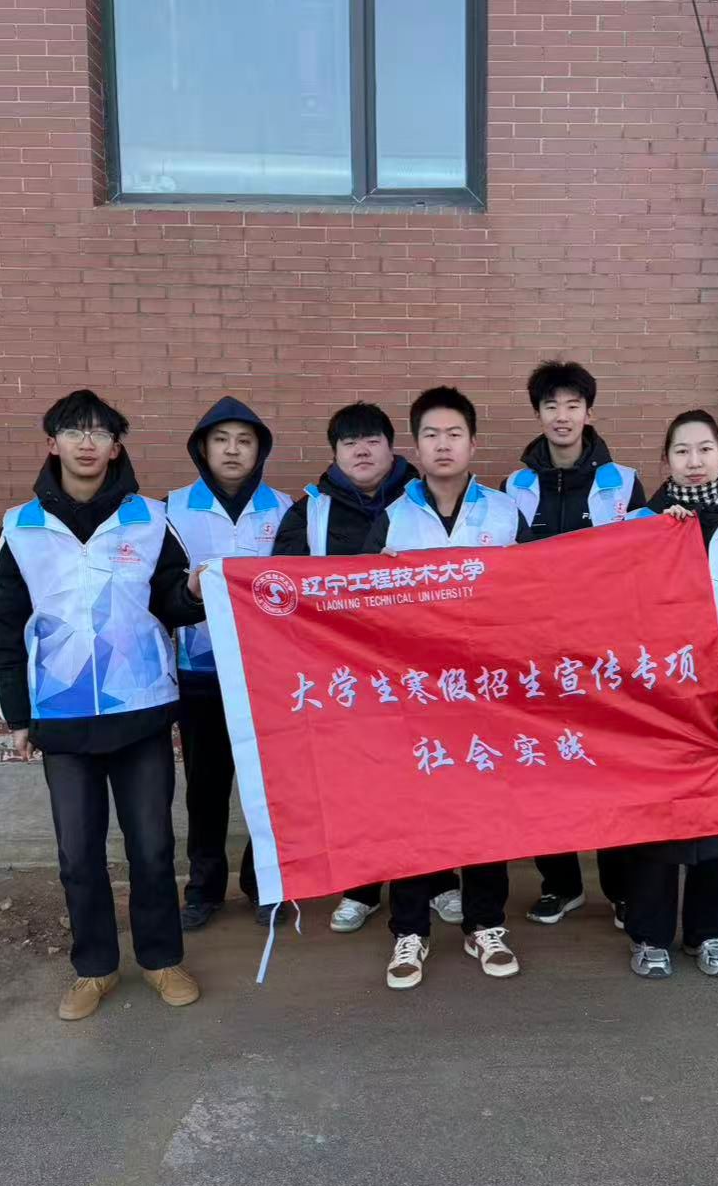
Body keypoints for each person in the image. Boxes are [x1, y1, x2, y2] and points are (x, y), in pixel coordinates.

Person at [0, 389, 205, 1021]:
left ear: (116, 447)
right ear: (52, 444)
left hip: (141, 706)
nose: (87, 442)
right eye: (74, 431)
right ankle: (95, 968)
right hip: (61, 712)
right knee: (78, 855)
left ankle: (161, 960)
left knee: (153, 847)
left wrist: (192, 593)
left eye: (100, 432)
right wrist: (17, 716)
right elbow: (4, 624)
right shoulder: (20, 527)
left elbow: (170, 601)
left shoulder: (150, 519)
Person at [362, 386, 531, 990]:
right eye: (431, 435)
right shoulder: (392, 517)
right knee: (412, 811)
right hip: (413, 694)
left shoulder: (506, 513)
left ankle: (486, 923)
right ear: (415, 446)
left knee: (486, 810)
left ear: (473, 443)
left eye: (454, 434)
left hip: (486, 690)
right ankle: (410, 930)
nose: (442, 445)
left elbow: (538, 593)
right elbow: (358, 604)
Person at [271, 401, 462, 934]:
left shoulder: (422, 499)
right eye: (349, 442)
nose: (361, 450)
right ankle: (362, 887)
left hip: (422, 672)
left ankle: (441, 880)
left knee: (431, 776)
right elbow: (280, 585)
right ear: (334, 453)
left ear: (392, 448)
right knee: (361, 784)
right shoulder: (308, 512)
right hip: (344, 674)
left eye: (372, 440)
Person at [624, 409, 718, 979]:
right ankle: (649, 936)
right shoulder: (637, 528)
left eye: (705, 449)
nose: (694, 461)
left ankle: (708, 933)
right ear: (665, 461)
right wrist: (656, 539)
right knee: (653, 831)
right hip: (656, 711)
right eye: (682, 451)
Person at [502, 360, 647, 929]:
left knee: (610, 774)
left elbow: (645, 562)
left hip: (605, 657)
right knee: (544, 770)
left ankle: (621, 889)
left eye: (572, 405)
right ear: (537, 414)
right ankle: (560, 886)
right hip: (538, 657)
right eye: (550, 406)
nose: (561, 416)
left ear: (589, 412)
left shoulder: (624, 483)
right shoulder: (515, 487)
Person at [165, 397, 293, 930]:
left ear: (260, 449)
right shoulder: (171, 509)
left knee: (267, 787)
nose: (233, 450)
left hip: (266, 674)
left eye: (244, 440)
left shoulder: (284, 508)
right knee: (206, 788)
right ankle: (203, 888)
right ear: (202, 448)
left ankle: (265, 885)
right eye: (221, 440)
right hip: (201, 672)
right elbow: (164, 591)